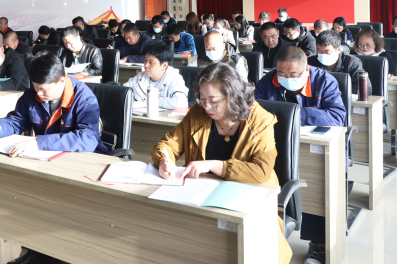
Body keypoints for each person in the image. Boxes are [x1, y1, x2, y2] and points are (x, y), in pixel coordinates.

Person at [152, 63, 292, 264]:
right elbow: (169, 143)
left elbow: (261, 170)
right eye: (202, 99)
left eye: (214, 101)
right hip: (202, 196)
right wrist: (164, 159)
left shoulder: (261, 120)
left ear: (232, 96)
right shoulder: (198, 112)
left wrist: (212, 165)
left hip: (250, 197)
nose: (207, 107)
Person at [0, 53, 107, 264]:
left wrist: (41, 142)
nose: (38, 93)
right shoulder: (33, 94)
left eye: (44, 89)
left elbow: (88, 139)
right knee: (26, 197)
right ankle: (35, 251)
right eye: (35, 87)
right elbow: (17, 119)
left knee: (59, 204)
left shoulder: (83, 97)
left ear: (61, 80)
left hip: (80, 163)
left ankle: (62, 254)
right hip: (46, 162)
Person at [254, 46, 345, 264]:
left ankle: (319, 243)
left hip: (314, 145)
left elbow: (336, 117)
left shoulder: (325, 81)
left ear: (306, 70)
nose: (286, 79)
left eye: (293, 74)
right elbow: (255, 111)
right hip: (275, 143)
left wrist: (293, 114)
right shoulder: (268, 81)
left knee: (317, 183)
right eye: (281, 74)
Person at [123, 40, 189, 109]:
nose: (146, 65)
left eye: (151, 62)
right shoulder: (140, 77)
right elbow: (123, 93)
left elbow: (181, 103)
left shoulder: (174, 79)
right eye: (145, 60)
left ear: (164, 66)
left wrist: (150, 101)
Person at [309, 30, 371, 97]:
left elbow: (365, 88)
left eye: (327, 51)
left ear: (339, 49)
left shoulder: (351, 62)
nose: (323, 54)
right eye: (319, 50)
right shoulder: (311, 62)